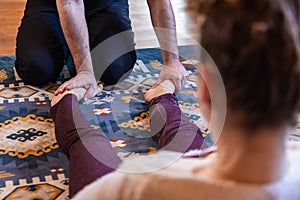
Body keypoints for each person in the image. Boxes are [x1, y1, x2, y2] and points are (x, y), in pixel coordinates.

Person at [51, 0, 300, 199]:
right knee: (188, 140)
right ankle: (163, 97)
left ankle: (66, 104)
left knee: (86, 143)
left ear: (204, 89)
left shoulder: (125, 189)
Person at [15, 0, 188, 101]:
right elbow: (69, 2)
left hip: (106, 3)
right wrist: (84, 71)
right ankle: (72, 42)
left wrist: (172, 61)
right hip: (50, 4)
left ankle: (80, 36)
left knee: (113, 70)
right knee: (36, 69)